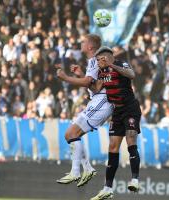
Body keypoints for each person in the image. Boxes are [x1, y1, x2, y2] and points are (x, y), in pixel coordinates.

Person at [56, 34, 113, 187]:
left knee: (71, 133)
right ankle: (86, 169)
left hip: (102, 101)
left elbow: (90, 83)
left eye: (83, 41)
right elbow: (94, 85)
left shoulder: (96, 60)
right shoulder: (93, 61)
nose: (80, 43)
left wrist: (66, 78)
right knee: (70, 134)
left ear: (90, 46)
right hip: (98, 100)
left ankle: (76, 172)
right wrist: (81, 74)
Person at [90, 47, 141, 200]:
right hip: (117, 112)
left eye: (99, 60)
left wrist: (112, 66)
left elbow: (132, 74)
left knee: (131, 138)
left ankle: (135, 180)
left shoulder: (121, 65)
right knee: (112, 147)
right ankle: (107, 188)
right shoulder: (101, 73)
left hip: (130, 109)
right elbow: (97, 88)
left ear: (106, 58)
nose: (97, 63)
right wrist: (80, 76)